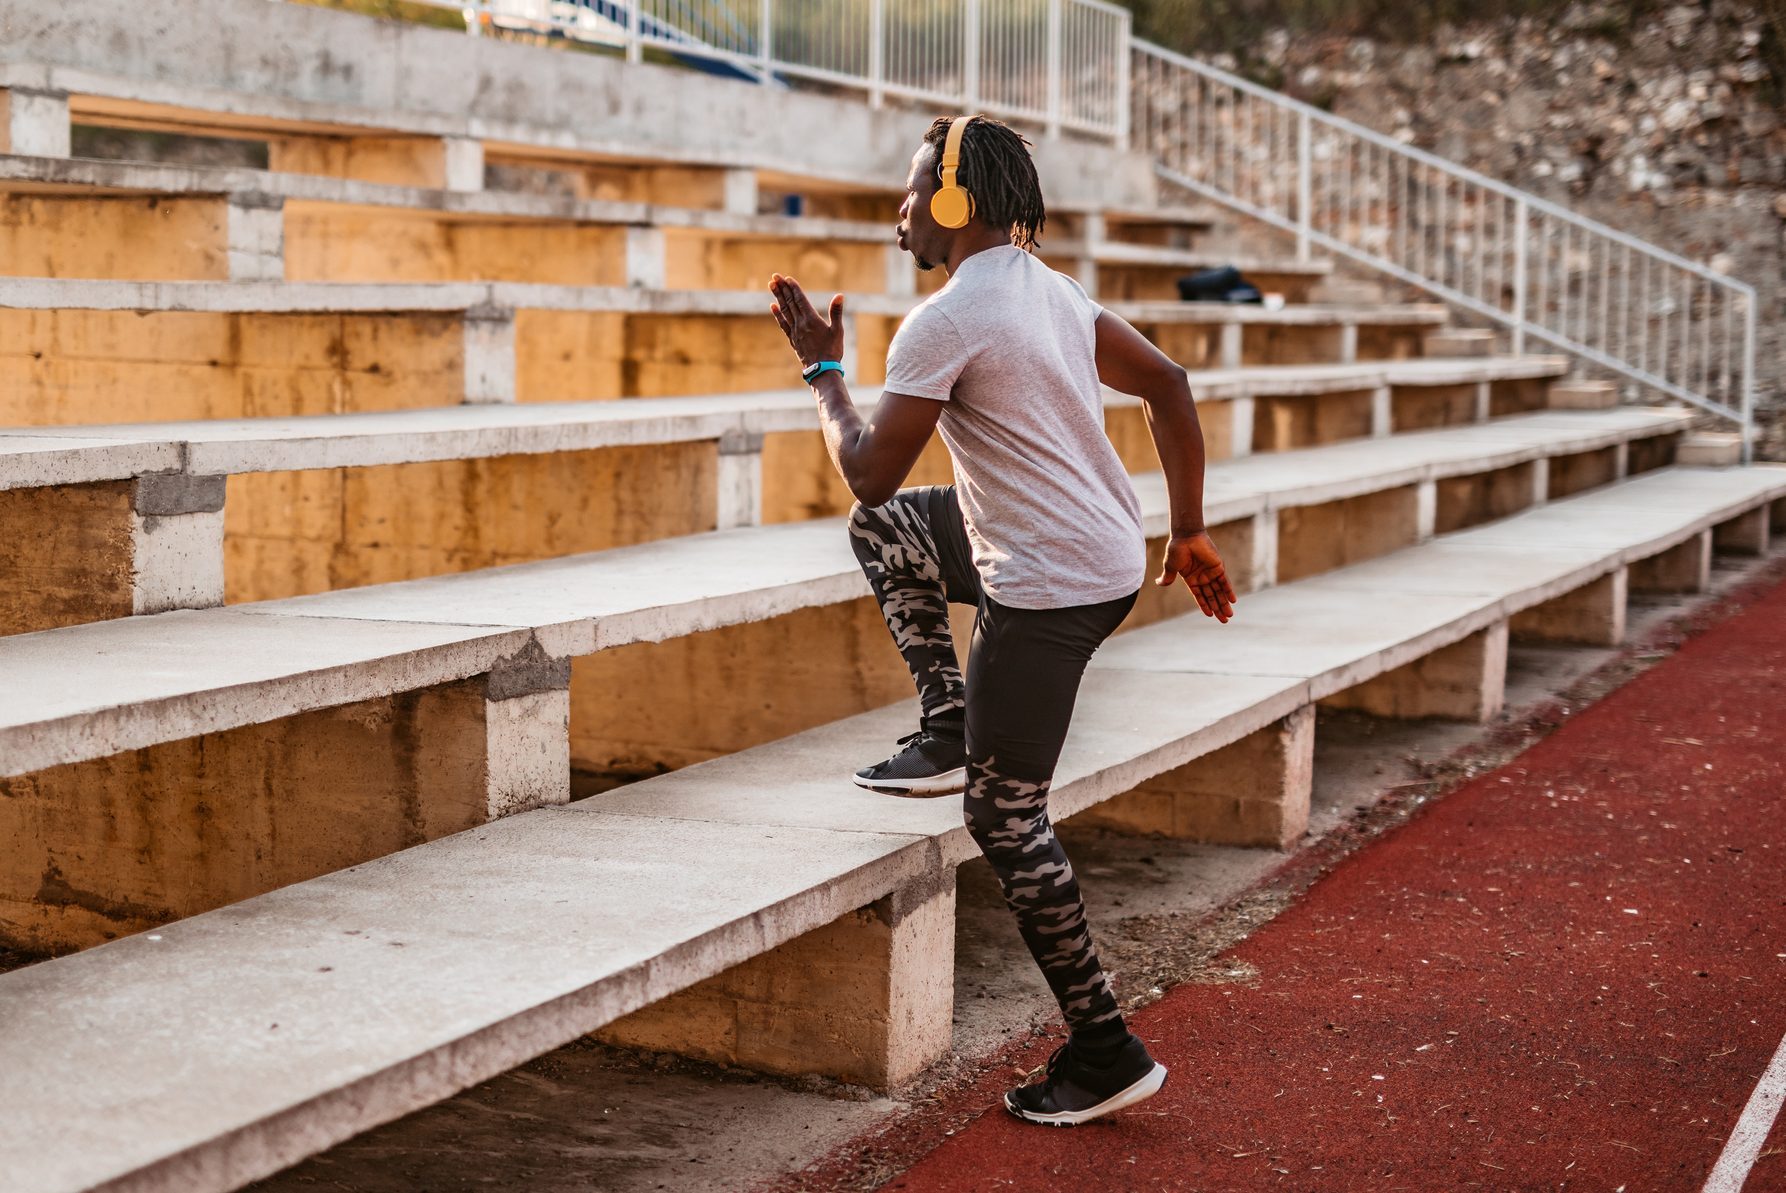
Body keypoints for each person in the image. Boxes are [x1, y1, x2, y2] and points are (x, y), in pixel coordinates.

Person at [767, 114, 1236, 1127]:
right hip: (1097, 550)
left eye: (906, 195)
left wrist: (822, 371)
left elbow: (863, 464)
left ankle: (1104, 1046)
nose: (897, 214)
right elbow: (1167, 380)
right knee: (890, 531)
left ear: (947, 202)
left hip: (1051, 581)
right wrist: (1185, 528)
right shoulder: (1049, 287)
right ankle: (949, 717)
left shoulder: (946, 317)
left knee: (1004, 814)